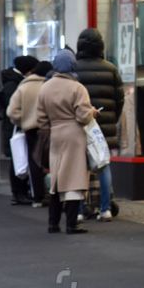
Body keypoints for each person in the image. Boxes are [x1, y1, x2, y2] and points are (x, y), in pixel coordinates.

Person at [33, 49, 97, 234]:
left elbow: (41, 118)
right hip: (74, 134)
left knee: (57, 179)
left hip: (55, 134)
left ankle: (53, 223)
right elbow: (84, 116)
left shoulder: (45, 87)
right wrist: (93, 112)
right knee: (74, 179)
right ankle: (71, 223)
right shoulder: (77, 88)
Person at [75, 28, 125, 222]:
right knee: (103, 165)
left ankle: (79, 209)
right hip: (103, 125)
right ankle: (105, 209)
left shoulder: (75, 69)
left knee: (80, 168)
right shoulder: (111, 68)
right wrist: (112, 118)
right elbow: (119, 99)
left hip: (81, 125)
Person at [6, 59, 49, 205]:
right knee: (47, 161)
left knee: (33, 161)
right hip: (47, 128)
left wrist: (22, 121)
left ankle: (36, 196)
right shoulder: (47, 86)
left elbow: (11, 111)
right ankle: (47, 193)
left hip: (30, 129)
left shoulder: (23, 87)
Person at [0, 55, 39, 205]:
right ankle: (18, 192)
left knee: (20, 158)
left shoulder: (14, 82)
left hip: (15, 127)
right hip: (14, 128)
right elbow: (12, 110)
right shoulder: (13, 84)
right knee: (18, 159)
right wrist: (23, 121)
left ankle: (21, 191)